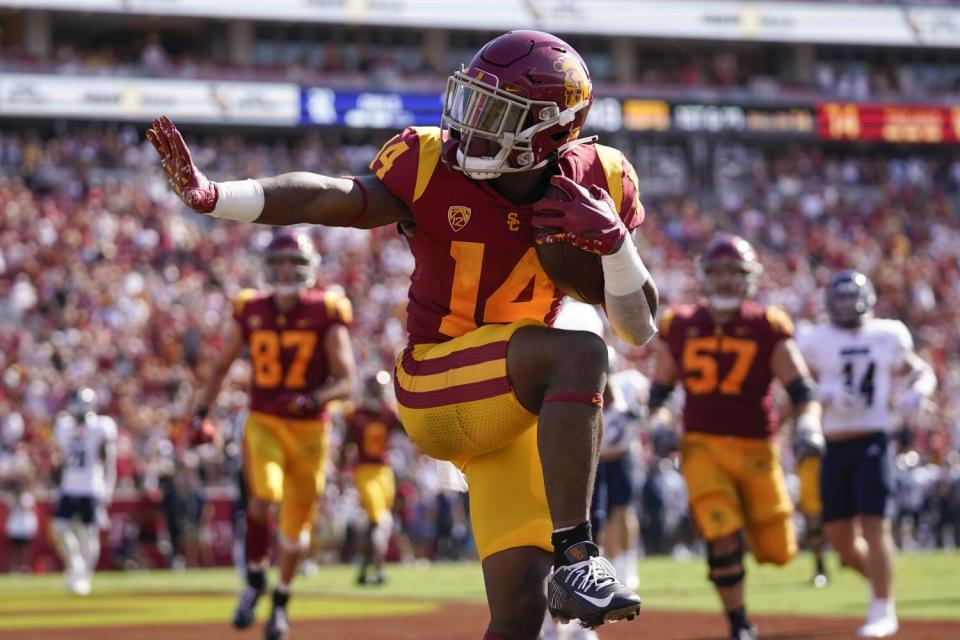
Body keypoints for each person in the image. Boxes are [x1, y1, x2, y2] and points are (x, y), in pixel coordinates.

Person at [149, 29, 657, 638]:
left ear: (549, 131)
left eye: (496, 112)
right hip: (436, 383)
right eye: (472, 101)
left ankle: (564, 567)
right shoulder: (428, 162)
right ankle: (579, 556)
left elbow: (637, 328)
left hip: (512, 405)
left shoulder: (601, 178)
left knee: (520, 610)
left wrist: (616, 245)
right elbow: (334, 197)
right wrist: (217, 196)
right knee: (578, 352)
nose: (470, 124)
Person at [646, 233, 824, 640]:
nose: (726, 281)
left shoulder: (767, 325)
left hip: (757, 448)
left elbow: (803, 391)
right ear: (705, 277)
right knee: (721, 531)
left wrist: (810, 425)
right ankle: (739, 623)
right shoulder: (681, 324)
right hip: (702, 447)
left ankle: (738, 533)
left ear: (749, 278)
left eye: (734, 273)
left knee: (778, 552)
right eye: (718, 273)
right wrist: (658, 424)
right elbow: (659, 393)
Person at [188, 230, 357, 640]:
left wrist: (311, 398)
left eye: (292, 264)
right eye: (277, 264)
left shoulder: (326, 311)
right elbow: (222, 365)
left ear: (308, 270)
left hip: (310, 431)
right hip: (262, 421)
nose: (284, 271)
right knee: (263, 496)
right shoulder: (250, 308)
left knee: (296, 530)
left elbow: (347, 381)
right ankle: (254, 580)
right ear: (266, 269)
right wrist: (200, 414)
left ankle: (281, 600)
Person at [797, 270, 936, 638]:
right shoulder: (816, 338)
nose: (845, 305)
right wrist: (822, 393)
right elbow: (797, 383)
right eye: (838, 298)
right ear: (829, 303)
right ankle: (882, 586)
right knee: (840, 539)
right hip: (832, 444)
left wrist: (919, 390)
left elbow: (920, 372)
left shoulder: (887, 334)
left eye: (850, 297)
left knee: (875, 524)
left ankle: (882, 607)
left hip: (873, 440)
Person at [51, 387, 117, 595]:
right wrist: (58, 484)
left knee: (88, 534)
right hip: (69, 486)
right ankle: (77, 566)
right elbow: (61, 459)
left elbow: (108, 460)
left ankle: (84, 577)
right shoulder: (63, 425)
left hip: (91, 486)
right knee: (60, 528)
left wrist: (108, 488)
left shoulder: (101, 426)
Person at [341, 371, 404, 586]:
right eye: (377, 388)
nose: (380, 392)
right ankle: (378, 569)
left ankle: (363, 570)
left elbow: (409, 432)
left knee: (376, 524)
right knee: (378, 521)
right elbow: (346, 444)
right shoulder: (357, 414)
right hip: (365, 471)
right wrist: (342, 470)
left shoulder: (387, 413)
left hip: (384, 473)